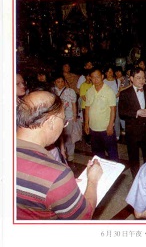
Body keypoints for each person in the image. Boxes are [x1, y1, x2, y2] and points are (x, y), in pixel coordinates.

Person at [16, 90, 103, 219]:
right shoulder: (57, 174)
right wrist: (93, 181)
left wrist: (62, 188)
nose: (64, 126)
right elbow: (84, 218)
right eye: (63, 121)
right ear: (50, 121)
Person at [118, 67, 146, 177]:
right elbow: (121, 112)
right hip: (132, 131)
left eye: (143, 78)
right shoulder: (124, 93)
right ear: (131, 78)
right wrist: (136, 112)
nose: (142, 81)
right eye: (138, 78)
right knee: (133, 158)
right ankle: (136, 179)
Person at [84, 68, 119, 161]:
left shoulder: (109, 91)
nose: (95, 79)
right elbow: (87, 108)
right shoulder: (90, 91)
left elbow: (113, 109)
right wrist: (86, 124)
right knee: (97, 155)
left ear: (102, 77)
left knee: (112, 154)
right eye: (93, 77)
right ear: (90, 78)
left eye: (98, 77)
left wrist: (110, 125)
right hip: (93, 129)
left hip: (106, 129)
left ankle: (115, 174)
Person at [52, 74, 79, 161]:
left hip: (68, 117)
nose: (61, 83)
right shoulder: (52, 92)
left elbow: (74, 104)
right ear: (54, 82)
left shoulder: (70, 91)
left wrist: (74, 116)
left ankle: (70, 153)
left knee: (68, 136)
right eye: (58, 82)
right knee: (58, 137)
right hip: (56, 118)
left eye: (62, 81)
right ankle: (60, 153)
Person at [79, 72, 93, 145]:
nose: (89, 78)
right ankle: (87, 138)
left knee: (92, 122)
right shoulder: (83, 85)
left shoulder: (93, 85)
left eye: (90, 76)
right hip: (85, 107)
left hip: (93, 107)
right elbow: (83, 97)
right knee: (86, 122)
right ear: (85, 77)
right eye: (88, 76)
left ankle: (92, 137)